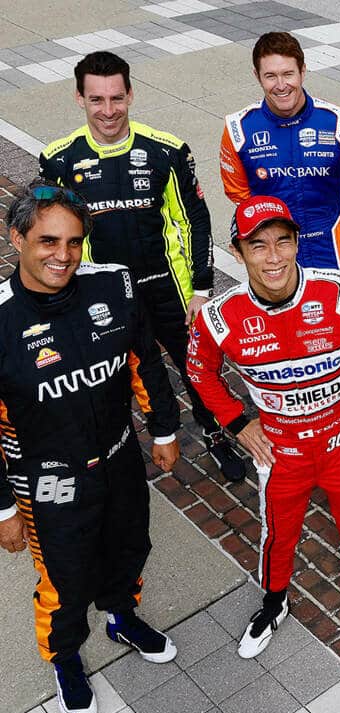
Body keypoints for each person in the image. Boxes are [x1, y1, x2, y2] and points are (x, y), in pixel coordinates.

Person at [186, 196, 340, 658]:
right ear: (238, 252)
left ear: (296, 244)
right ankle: (273, 603)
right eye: (258, 245)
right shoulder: (218, 317)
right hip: (280, 451)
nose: (273, 257)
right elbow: (200, 371)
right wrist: (237, 422)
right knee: (277, 533)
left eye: (282, 242)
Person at [0, 183, 181, 713]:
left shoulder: (113, 284)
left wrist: (164, 429)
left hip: (120, 458)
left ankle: (122, 617)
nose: (63, 255)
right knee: (66, 578)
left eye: (74, 242)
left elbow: (144, 359)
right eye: (48, 241)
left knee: (130, 546)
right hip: (47, 480)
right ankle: (65, 659)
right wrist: (4, 508)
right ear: (17, 239)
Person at [38, 51, 246, 482]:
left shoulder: (166, 150)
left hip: (169, 289)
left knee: (198, 370)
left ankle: (215, 434)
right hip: (104, 298)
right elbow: (49, 235)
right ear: (79, 98)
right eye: (97, 99)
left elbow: (195, 219)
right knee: (120, 377)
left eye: (117, 98)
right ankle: (132, 445)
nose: (108, 110)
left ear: (131, 94)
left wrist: (201, 289)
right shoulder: (58, 161)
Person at [220, 31, 340, 272]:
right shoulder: (238, 129)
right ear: (257, 76)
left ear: (302, 71)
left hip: (331, 246)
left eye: (288, 74)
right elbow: (238, 192)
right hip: (275, 254)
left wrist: (329, 218)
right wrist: (272, 230)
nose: (281, 85)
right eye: (270, 76)